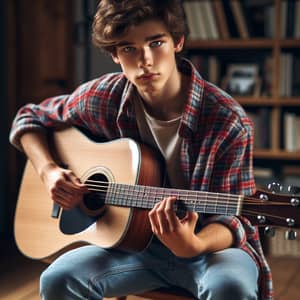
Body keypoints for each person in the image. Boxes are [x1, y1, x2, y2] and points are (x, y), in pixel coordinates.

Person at [10, 0, 273, 299]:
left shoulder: (227, 120)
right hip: (133, 247)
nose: (145, 60)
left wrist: (194, 245)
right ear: (114, 55)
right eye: (128, 48)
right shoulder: (103, 97)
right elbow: (29, 117)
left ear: (178, 42)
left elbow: (235, 218)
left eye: (156, 43)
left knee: (231, 287)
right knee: (58, 279)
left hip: (210, 247)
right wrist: (48, 171)